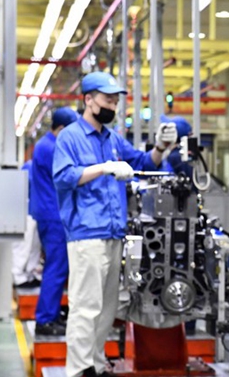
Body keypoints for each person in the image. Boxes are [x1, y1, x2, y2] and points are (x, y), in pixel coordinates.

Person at [53, 72, 178, 377]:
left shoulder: (113, 139)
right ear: (88, 100)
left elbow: (143, 162)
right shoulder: (70, 137)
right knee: (86, 306)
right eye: (107, 100)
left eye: (115, 101)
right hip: (86, 234)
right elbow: (64, 177)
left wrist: (161, 147)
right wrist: (103, 168)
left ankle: (95, 364)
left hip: (114, 233)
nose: (113, 106)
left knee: (107, 308)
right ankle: (78, 369)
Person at [30, 107, 78, 336]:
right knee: (56, 267)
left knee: (57, 266)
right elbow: (69, 177)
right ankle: (45, 319)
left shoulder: (45, 144)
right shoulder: (51, 148)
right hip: (53, 215)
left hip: (49, 213)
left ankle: (51, 313)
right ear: (61, 129)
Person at [12, 159, 43, 289]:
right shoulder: (29, 167)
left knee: (34, 246)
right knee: (24, 246)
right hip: (26, 212)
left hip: (38, 212)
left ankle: (30, 274)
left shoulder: (42, 167)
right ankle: (18, 276)